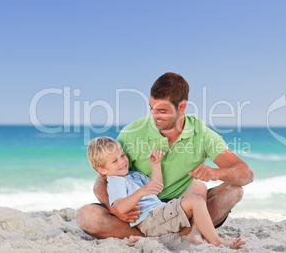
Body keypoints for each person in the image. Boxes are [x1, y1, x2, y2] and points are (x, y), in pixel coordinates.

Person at [77, 72, 254, 243]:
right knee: (87, 217)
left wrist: (216, 173)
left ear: (181, 107)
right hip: (141, 213)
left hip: (182, 205)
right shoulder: (133, 133)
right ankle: (172, 235)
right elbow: (103, 180)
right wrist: (115, 210)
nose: (155, 116)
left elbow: (246, 173)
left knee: (234, 191)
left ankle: (186, 232)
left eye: (162, 110)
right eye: (151, 108)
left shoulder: (203, 135)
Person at [87, 136, 245, 249]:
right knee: (196, 200)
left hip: (161, 212)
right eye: (115, 161)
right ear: (102, 170)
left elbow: (157, 186)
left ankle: (195, 233)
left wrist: (155, 165)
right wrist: (141, 192)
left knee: (198, 185)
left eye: (122, 155)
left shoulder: (132, 175)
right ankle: (217, 242)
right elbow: (120, 207)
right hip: (151, 220)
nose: (122, 161)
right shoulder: (116, 181)